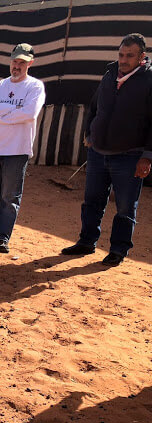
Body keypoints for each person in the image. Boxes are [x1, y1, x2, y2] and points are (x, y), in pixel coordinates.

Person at [61, 33, 152, 267]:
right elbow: (95, 106)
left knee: (124, 206)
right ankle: (86, 241)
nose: (123, 60)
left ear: (142, 57)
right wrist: (89, 134)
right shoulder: (110, 75)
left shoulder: (149, 80)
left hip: (130, 155)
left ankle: (118, 250)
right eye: (121, 54)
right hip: (98, 152)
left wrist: (147, 156)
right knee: (91, 201)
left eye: (129, 56)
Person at [0, 43, 45, 254]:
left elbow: (29, 113)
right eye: (15, 61)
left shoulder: (35, 87)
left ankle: (2, 236)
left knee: (10, 195)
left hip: (17, 149)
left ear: (30, 63)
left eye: (22, 62)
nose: (17, 66)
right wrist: (11, 108)